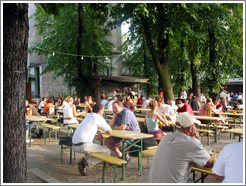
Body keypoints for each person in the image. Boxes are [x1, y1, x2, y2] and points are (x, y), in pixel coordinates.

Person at [148, 113, 214, 183]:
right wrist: (194, 141)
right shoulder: (192, 144)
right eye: (195, 126)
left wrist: (191, 140)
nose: (196, 128)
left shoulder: (166, 138)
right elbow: (210, 162)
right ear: (190, 128)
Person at [72, 104, 112, 176]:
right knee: (107, 151)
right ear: (100, 111)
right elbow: (109, 131)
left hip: (74, 144)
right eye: (103, 110)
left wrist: (98, 131)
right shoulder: (99, 117)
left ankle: (84, 160)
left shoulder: (89, 115)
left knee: (95, 144)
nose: (103, 112)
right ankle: (86, 163)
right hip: (83, 145)